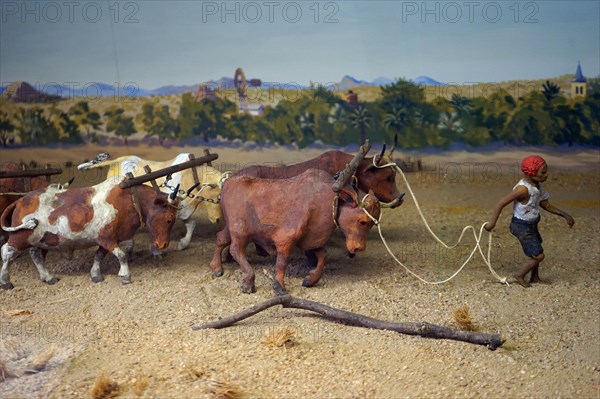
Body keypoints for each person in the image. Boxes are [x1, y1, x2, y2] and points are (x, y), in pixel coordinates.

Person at [484, 155, 575, 287]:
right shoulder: (523, 189)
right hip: (521, 226)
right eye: (543, 172)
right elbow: (501, 203)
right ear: (532, 172)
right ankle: (520, 275)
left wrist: (564, 215)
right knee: (538, 255)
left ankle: (535, 277)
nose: (546, 175)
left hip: (532, 224)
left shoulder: (536, 186)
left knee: (537, 249)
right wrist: (492, 223)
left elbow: (545, 204)